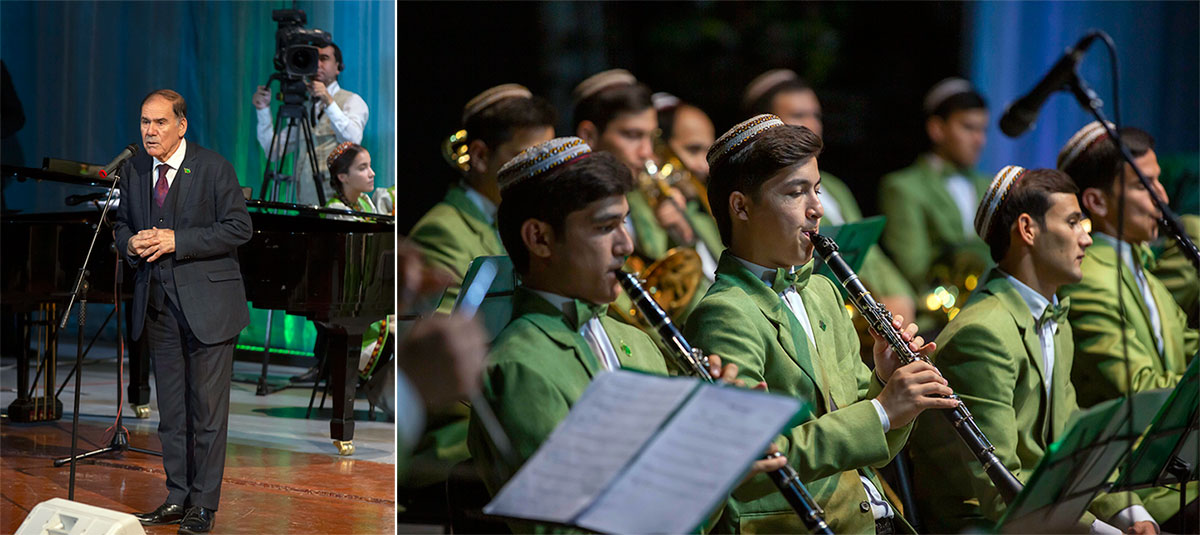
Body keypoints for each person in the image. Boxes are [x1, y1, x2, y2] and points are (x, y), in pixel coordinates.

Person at [466, 137, 783, 532]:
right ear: (539, 238)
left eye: (625, 222)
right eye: (605, 227)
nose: (626, 244)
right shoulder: (518, 367)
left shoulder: (638, 342)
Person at [684, 115, 958, 533]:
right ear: (740, 207)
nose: (817, 209)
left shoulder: (823, 292)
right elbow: (753, 462)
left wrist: (886, 383)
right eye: (796, 193)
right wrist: (882, 410)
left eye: (816, 189)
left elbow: (870, 444)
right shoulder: (724, 314)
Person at [908, 166, 1158, 533]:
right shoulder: (982, 333)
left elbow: (1075, 448)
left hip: (1045, 513)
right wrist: (1101, 530)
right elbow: (999, 489)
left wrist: (1133, 515)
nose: (1086, 238)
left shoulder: (1053, 316)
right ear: (1027, 229)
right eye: (1072, 222)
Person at [115, 89, 252, 534]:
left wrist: (179, 240)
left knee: (207, 413)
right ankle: (177, 496)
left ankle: (203, 505)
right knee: (172, 414)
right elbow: (121, 223)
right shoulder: (135, 169)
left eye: (159, 122)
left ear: (181, 125)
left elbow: (239, 227)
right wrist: (129, 243)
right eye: (144, 122)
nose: (150, 131)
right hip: (159, 308)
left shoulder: (213, 167)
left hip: (210, 308)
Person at [744, 68, 916, 328]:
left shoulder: (835, 187)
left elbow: (872, 256)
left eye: (816, 115)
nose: (812, 125)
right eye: (799, 115)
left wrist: (898, 296)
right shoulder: (758, 190)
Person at [1057, 122, 1198, 408]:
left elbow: (1189, 349)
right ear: (1097, 202)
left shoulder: (1143, 272)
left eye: (1158, 181)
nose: (1163, 198)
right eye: (1143, 186)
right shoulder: (1086, 280)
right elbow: (1140, 391)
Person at [409, 83, 556, 314]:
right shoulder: (441, 231)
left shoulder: (524, 219)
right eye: (528, 159)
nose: (544, 174)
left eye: (548, 159)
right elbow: (447, 330)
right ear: (479, 156)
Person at [878, 77, 992, 308]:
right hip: (934, 314)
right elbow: (914, 268)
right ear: (937, 129)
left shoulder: (991, 185)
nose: (979, 140)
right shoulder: (902, 187)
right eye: (968, 127)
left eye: (983, 129)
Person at [573, 69, 699, 265]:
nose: (647, 152)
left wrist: (678, 235)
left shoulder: (642, 198)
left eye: (651, 137)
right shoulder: (573, 211)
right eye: (632, 135)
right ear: (588, 135)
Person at [253, 40, 368, 206]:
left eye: (324, 58)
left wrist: (328, 100)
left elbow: (353, 140)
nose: (317, 64)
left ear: (338, 67)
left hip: (337, 203)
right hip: (305, 201)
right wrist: (263, 109)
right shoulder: (304, 107)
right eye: (313, 59)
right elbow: (274, 152)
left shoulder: (352, 101)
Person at [324, 141, 378, 217]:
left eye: (370, 166)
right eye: (362, 168)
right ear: (342, 177)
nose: (372, 173)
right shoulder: (336, 210)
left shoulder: (365, 201)